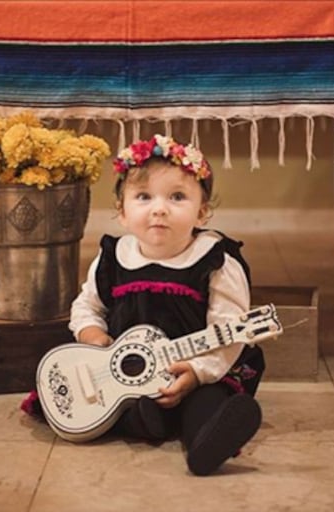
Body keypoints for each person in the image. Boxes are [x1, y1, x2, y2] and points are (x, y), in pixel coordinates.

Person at [68, 134, 265, 476]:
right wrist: (92, 335)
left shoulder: (215, 262)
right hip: (126, 373)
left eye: (177, 197)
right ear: (122, 212)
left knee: (207, 401)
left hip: (199, 371)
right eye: (143, 197)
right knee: (109, 398)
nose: (159, 208)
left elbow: (229, 334)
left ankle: (207, 440)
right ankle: (146, 417)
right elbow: (87, 306)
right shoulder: (113, 258)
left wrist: (196, 372)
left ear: (202, 212)